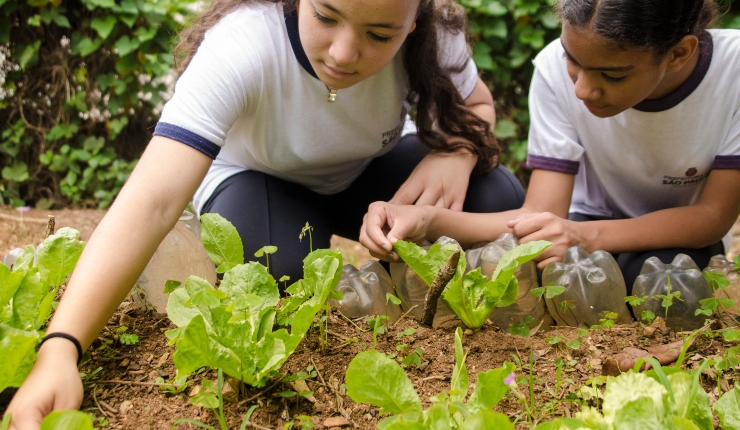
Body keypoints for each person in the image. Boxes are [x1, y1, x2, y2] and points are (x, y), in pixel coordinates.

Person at [4, 0, 525, 427]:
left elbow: (475, 105)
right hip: (257, 178)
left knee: (493, 195)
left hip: (361, 171)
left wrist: (457, 152)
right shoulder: (244, 44)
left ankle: (406, 280)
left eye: (380, 34)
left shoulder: (437, 31)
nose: (345, 53)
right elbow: (152, 201)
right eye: (325, 17)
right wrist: (61, 346)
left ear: (413, 23)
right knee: (274, 272)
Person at [361, 0, 740, 291]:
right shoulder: (552, 72)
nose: (582, 89)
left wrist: (585, 238)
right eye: (572, 61)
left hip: (677, 237)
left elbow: (712, 217)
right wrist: (426, 219)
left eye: (612, 74)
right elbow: (540, 215)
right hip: (583, 224)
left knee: (663, 279)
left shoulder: (732, 73)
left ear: (678, 54)